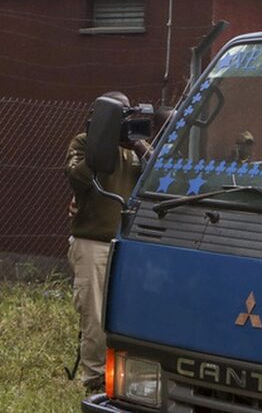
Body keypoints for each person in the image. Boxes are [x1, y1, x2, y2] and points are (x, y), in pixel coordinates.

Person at [65, 91, 149, 393]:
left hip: (128, 244)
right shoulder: (86, 143)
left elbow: (157, 174)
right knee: (95, 315)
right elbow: (78, 178)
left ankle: (129, 376)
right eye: (119, 113)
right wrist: (102, 143)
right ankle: (96, 379)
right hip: (94, 242)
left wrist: (137, 143)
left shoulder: (133, 148)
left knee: (129, 313)